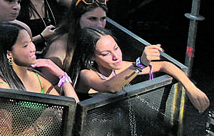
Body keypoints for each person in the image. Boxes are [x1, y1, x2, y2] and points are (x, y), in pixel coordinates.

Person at [71, 28, 209, 111]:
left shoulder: (119, 67)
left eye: (116, 48)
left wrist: (191, 88)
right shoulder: (86, 74)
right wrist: (140, 64)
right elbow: (110, 86)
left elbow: (164, 65)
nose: (116, 56)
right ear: (91, 56)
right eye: (106, 54)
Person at [0, 22, 78, 101]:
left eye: (31, 42)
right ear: (9, 54)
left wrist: (62, 76)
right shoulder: (1, 87)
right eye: (25, 45)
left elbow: (73, 110)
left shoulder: (37, 77)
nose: (33, 48)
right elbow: (2, 124)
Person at [44, 0, 108, 73]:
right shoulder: (59, 47)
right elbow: (45, 83)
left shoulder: (103, 41)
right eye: (92, 19)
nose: (99, 25)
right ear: (77, 19)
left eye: (103, 19)